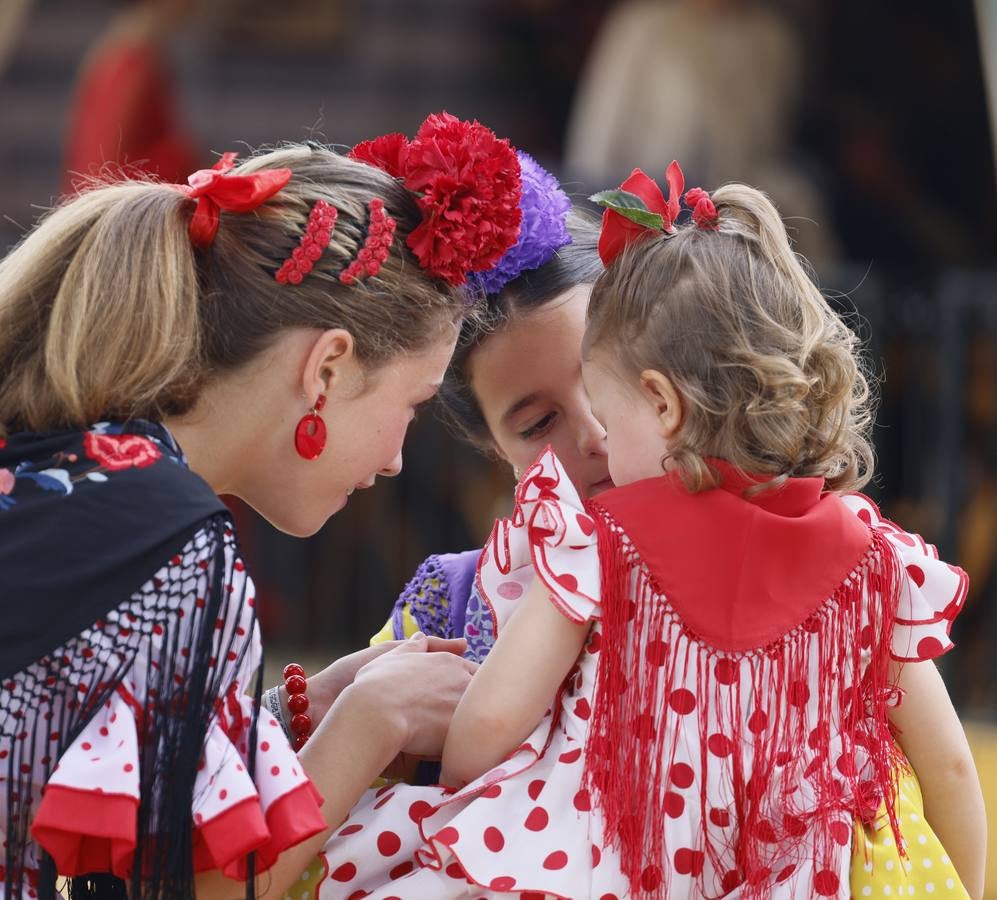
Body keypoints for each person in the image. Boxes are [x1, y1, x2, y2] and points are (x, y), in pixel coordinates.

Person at [318, 162, 986, 898]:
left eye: (600, 400)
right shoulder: (873, 560)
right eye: (540, 423)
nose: (596, 439)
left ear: (661, 402)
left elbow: (488, 727)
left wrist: (472, 785)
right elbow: (950, 765)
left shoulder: (600, 546)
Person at [0, 112, 524, 899]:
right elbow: (182, 889)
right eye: (411, 406)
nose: (393, 460)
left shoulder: (74, 474)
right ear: (330, 368)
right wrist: (367, 725)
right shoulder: (176, 545)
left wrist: (294, 715)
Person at [370, 152, 608, 661]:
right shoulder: (448, 614)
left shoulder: (773, 562)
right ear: (492, 446)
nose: (594, 434)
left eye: (610, 381)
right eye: (540, 423)